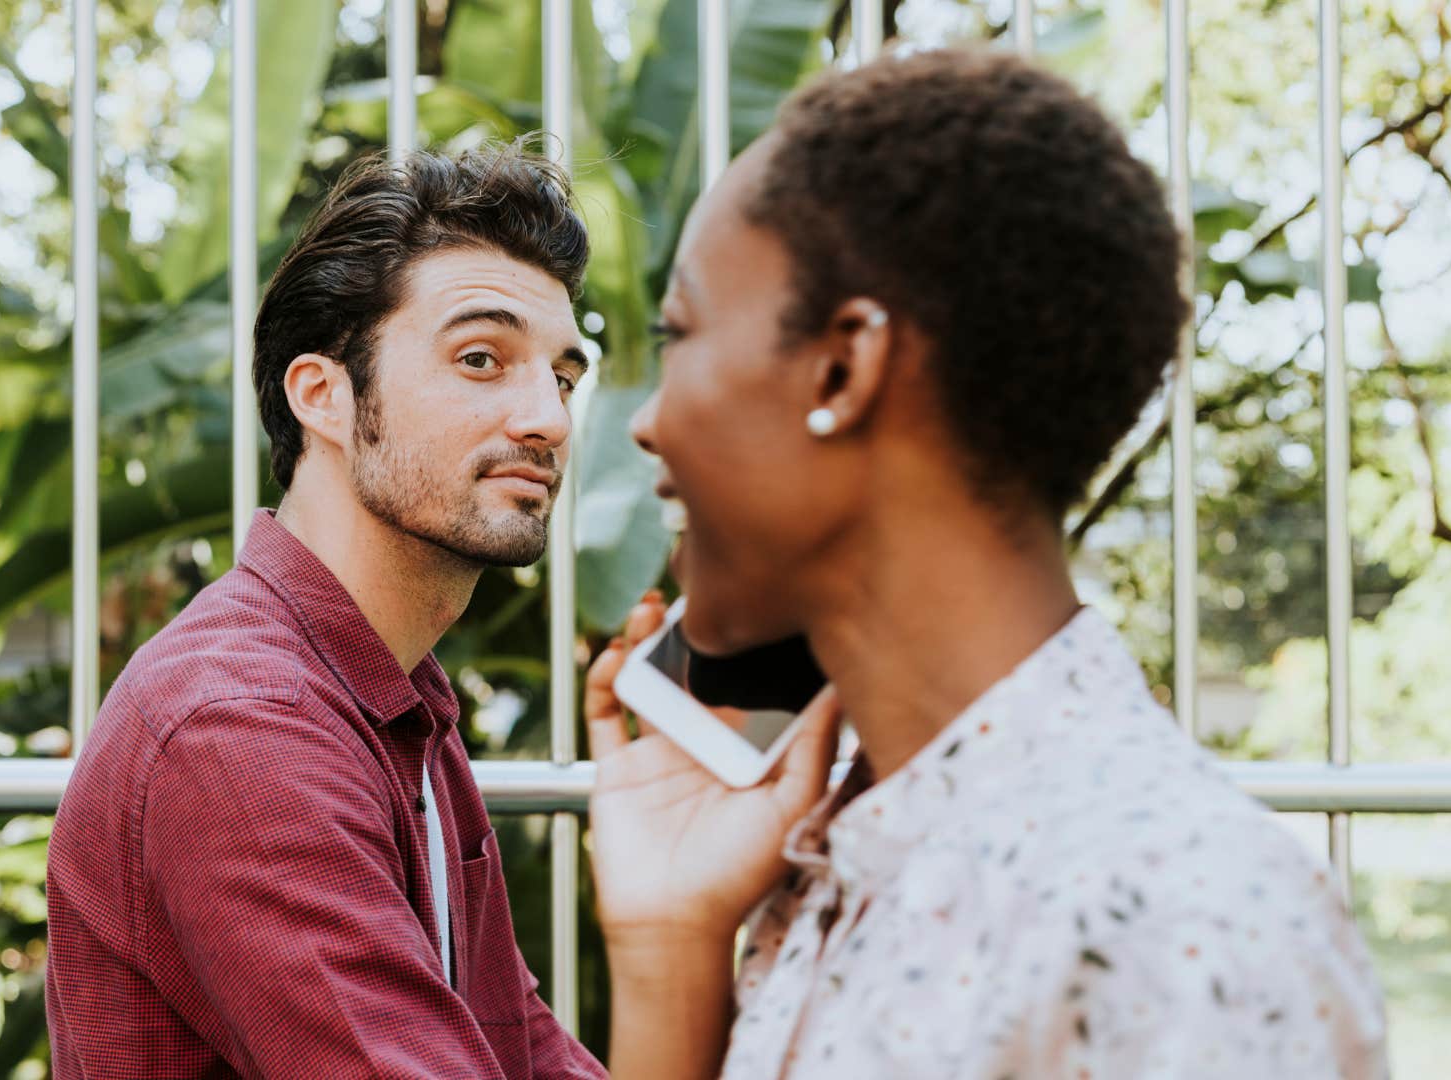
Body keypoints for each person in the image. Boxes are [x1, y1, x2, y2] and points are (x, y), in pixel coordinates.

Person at [583, 47, 1388, 1079]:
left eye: (678, 330)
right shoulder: (856, 863)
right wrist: (670, 955)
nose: (644, 424)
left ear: (846, 366)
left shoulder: (1176, 925)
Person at [46, 141, 606, 1079]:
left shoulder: (395, 700)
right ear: (325, 397)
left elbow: (522, 1046)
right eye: (481, 358)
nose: (547, 418)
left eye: (561, 376)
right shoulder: (241, 726)